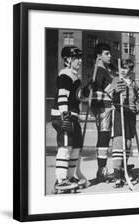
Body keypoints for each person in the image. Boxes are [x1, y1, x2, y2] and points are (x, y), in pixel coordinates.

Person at [51, 45, 86, 192]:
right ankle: (60, 180)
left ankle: (70, 177)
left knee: (75, 147)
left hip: (73, 117)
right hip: (64, 117)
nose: (79, 61)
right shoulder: (65, 75)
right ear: (67, 60)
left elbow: (76, 97)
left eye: (80, 58)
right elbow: (62, 97)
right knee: (65, 148)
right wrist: (65, 116)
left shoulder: (75, 76)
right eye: (76, 58)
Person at [91, 43, 126, 182]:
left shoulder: (104, 70)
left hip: (107, 106)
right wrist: (118, 83)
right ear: (99, 56)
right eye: (107, 54)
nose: (110, 56)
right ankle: (101, 169)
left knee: (105, 137)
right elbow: (107, 90)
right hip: (102, 107)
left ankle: (102, 169)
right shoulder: (99, 70)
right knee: (103, 137)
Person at [111, 59, 139, 188]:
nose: (124, 71)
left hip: (130, 114)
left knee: (128, 142)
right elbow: (111, 94)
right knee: (119, 142)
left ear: (130, 70)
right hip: (119, 112)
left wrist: (137, 106)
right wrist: (116, 92)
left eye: (127, 68)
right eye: (122, 68)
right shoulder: (116, 80)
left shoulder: (134, 83)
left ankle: (124, 167)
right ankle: (117, 173)